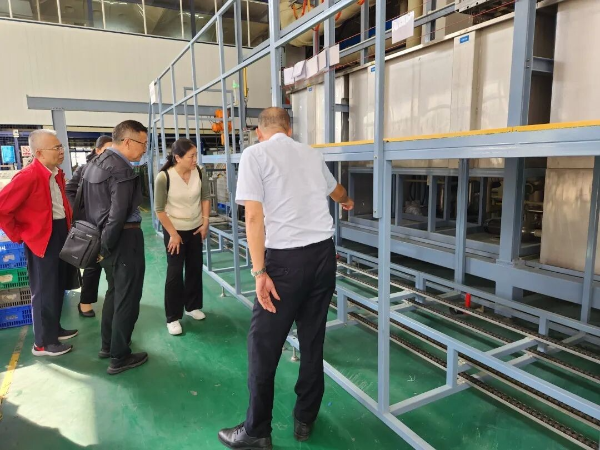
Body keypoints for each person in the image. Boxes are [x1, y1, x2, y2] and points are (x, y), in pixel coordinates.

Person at [218, 108, 354, 449]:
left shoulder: (255, 154)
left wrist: (259, 271)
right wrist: (347, 200)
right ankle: (305, 417)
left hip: (285, 263)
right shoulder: (310, 153)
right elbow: (336, 190)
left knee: (263, 346)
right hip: (323, 257)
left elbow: (253, 218)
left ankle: (256, 431)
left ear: (260, 131)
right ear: (289, 129)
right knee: (312, 339)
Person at [0, 130, 77, 356]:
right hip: (42, 239)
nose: (61, 151)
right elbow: (3, 208)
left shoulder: (55, 173)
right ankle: (43, 343)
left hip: (59, 232)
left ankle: (54, 330)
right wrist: (20, 235)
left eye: (61, 146)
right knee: (44, 290)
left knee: (57, 286)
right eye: (56, 148)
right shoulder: (29, 176)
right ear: (40, 153)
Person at [81, 120, 148, 375]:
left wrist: (98, 244)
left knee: (114, 292)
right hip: (123, 239)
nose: (145, 149)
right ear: (128, 141)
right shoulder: (122, 169)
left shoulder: (95, 163)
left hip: (101, 237)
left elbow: (81, 204)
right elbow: (118, 215)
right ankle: (120, 357)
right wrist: (106, 246)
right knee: (127, 297)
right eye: (143, 143)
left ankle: (108, 345)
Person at [154, 138, 210, 336]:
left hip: (195, 229)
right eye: (191, 156)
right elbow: (159, 210)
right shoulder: (164, 177)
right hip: (174, 231)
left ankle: (192, 306)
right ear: (177, 158)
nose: (195, 160)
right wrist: (173, 234)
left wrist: (205, 222)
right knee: (175, 273)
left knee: (195, 268)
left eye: (196, 155)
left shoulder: (199, 172)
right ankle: (172, 317)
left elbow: (205, 198)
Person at [65, 135, 112, 318]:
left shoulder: (114, 170)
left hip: (111, 224)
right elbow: (70, 190)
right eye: (107, 150)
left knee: (113, 264)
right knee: (93, 265)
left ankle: (115, 299)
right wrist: (81, 213)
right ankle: (85, 302)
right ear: (97, 150)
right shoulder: (85, 169)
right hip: (92, 227)